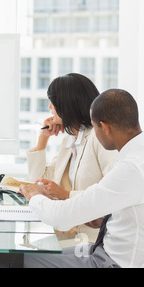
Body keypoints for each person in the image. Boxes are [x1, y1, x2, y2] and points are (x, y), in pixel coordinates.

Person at [20, 89, 144, 268]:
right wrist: (104, 219)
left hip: (107, 262)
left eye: (95, 126)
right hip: (100, 250)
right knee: (20, 256)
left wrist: (34, 196)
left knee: (10, 261)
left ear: (105, 127)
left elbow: (60, 218)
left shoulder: (132, 168)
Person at [23, 73, 117, 244]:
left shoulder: (99, 139)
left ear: (67, 105)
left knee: (18, 258)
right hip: (68, 235)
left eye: (53, 102)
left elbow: (113, 196)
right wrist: (43, 138)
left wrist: (66, 195)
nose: (50, 107)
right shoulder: (71, 140)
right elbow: (39, 181)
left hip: (90, 240)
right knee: (16, 254)